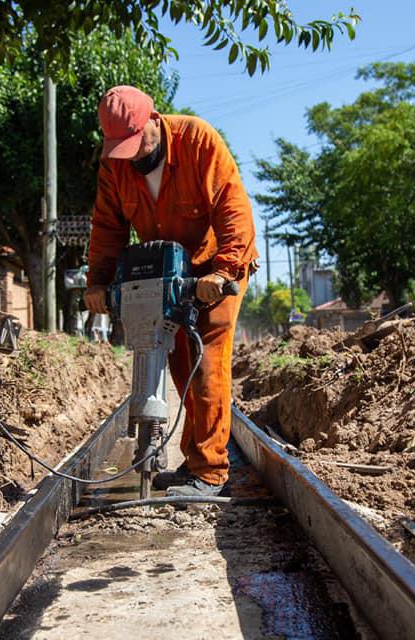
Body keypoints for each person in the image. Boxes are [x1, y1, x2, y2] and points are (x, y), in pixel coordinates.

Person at [84, 85, 258, 497]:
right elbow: (108, 227)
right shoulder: (115, 166)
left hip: (216, 268)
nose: (131, 155)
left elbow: (233, 209)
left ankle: (211, 472)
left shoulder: (198, 141)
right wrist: (98, 283)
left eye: (135, 142)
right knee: (179, 363)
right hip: (166, 270)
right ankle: (193, 460)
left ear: (154, 121)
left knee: (208, 360)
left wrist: (223, 272)